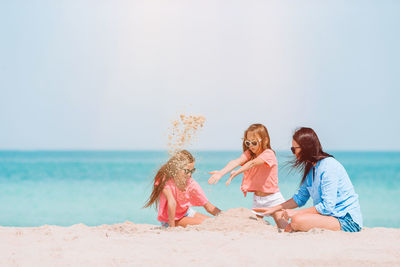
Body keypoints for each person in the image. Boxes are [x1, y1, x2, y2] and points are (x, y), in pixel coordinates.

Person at [253, 127, 363, 232]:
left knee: (296, 220)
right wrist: (273, 209)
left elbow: (327, 206)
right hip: (330, 217)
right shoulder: (312, 169)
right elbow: (300, 198)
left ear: (305, 148)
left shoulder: (329, 166)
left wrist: (296, 213)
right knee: (293, 223)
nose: (293, 153)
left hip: (347, 220)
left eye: (294, 149)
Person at [208, 123, 287, 229]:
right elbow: (236, 161)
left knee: (284, 227)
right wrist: (221, 173)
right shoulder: (249, 153)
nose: (251, 146)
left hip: (273, 198)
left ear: (265, 140)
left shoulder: (269, 154)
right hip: (257, 200)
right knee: (254, 227)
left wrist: (237, 172)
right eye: (248, 142)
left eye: (254, 142)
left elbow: (252, 163)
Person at [144, 150, 220, 227]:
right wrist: (172, 228)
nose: (189, 174)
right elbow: (172, 202)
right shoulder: (165, 180)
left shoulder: (191, 184)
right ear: (176, 168)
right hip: (170, 219)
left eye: (192, 171)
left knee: (213, 221)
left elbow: (209, 207)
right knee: (205, 224)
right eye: (186, 171)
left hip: (187, 212)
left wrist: (226, 216)